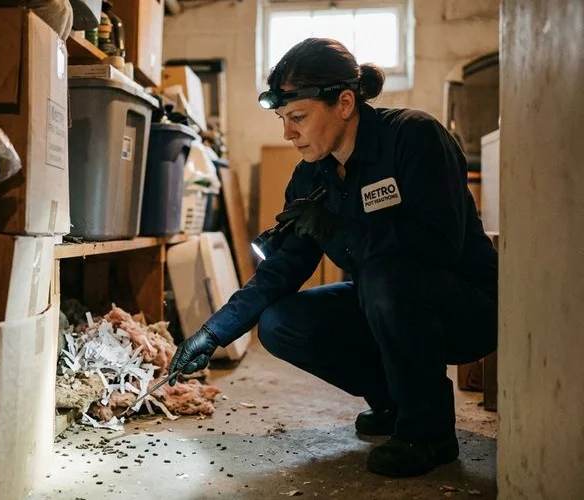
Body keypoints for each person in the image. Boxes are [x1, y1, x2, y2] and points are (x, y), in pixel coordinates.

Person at [168, 38, 498, 478]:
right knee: (280, 322)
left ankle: (428, 430)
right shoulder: (311, 177)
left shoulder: (414, 137)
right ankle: (395, 403)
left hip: (467, 309)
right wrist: (213, 333)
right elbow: (280, 271)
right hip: (382, 302)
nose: (289, 133)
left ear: (344, 103)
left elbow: (438, 244)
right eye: (284, 119)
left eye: (298, 117)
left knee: (386, 278)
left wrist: (344, 228)